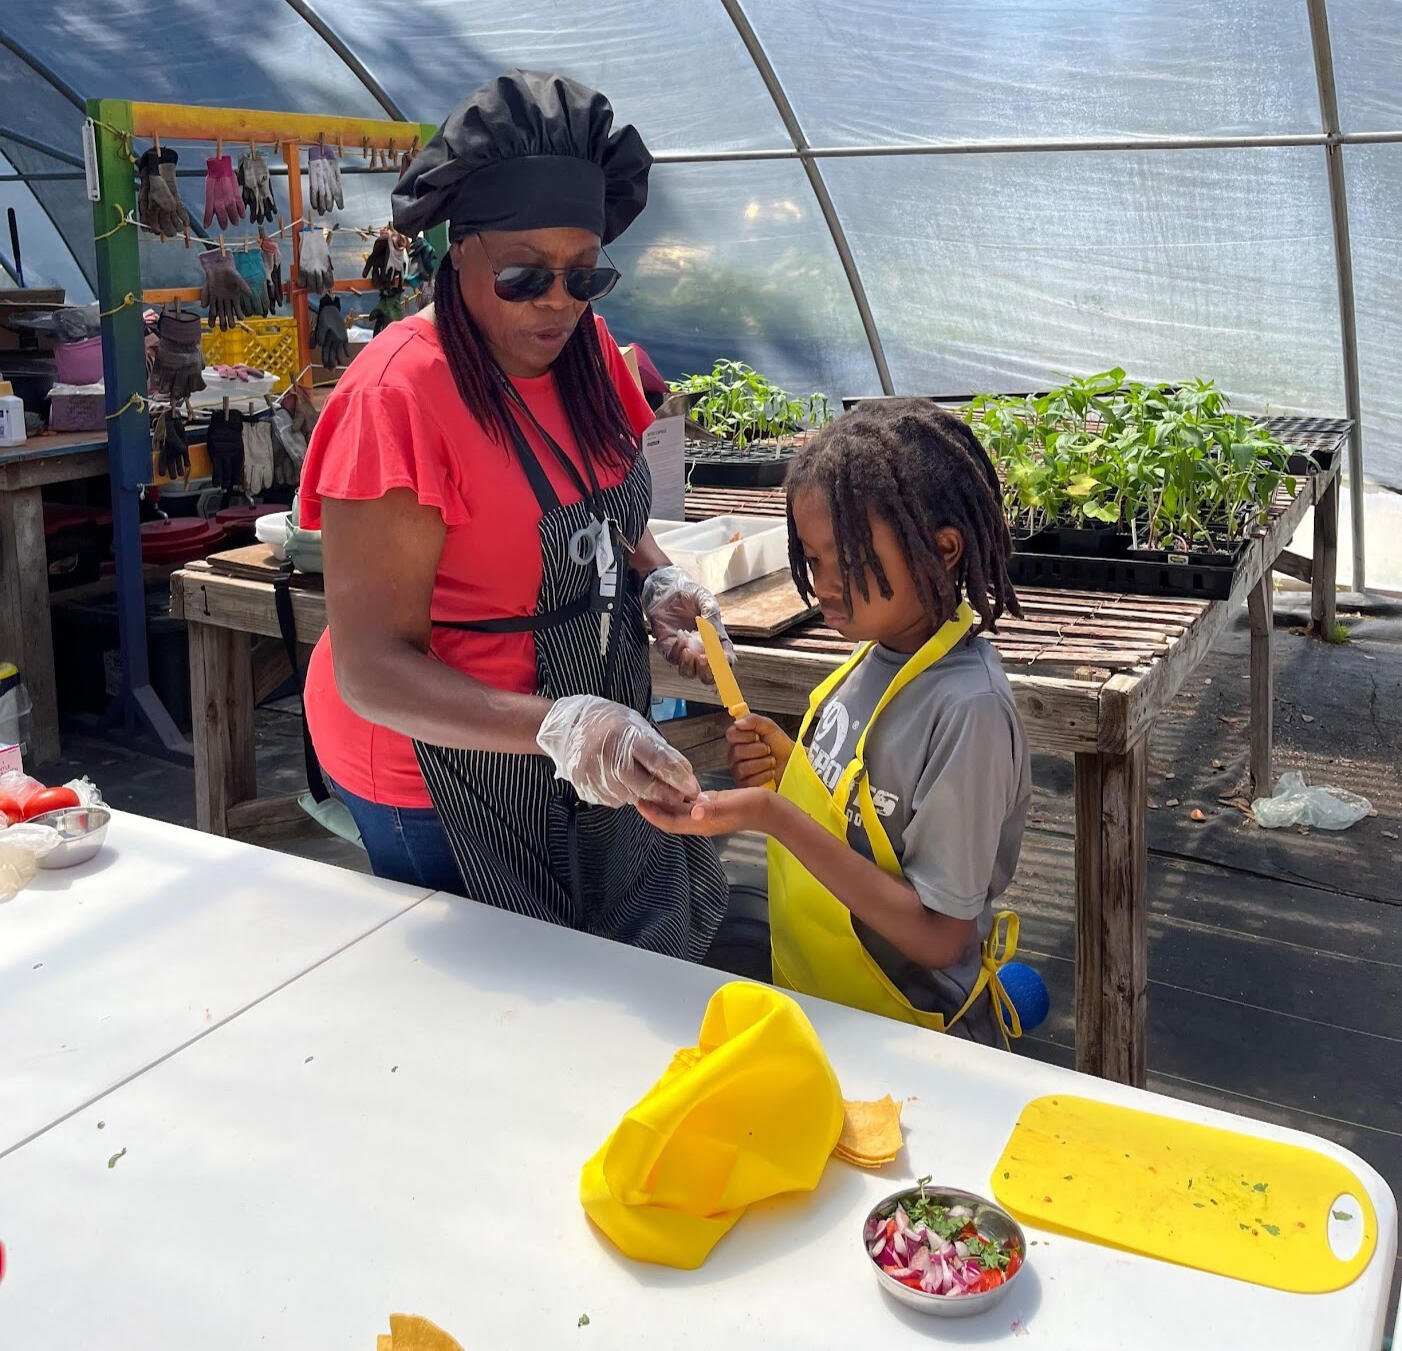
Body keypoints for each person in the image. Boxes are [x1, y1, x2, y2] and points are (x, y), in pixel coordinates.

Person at [297, 70, 732, 961]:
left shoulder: (587, 352)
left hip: (573, 740)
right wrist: (557, 725)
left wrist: (657, 579)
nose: (559, 302)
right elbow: (373, 669)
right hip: (435, 765)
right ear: (459, 252)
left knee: (590, 966)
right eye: (526, 274)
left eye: (585, 274)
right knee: (496, 1007)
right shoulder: (399, 398)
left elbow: (604, 503)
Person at [641, 400, 1032, 1043]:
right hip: (825, 1004)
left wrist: (773, 817)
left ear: (943, 549)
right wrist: (790, 769)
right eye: (815, 559)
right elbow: (862, 815)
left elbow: (938, 936)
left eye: (848, 560)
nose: (823, 584)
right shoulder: (875, 654)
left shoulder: (969, 711)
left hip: (910, 1028)